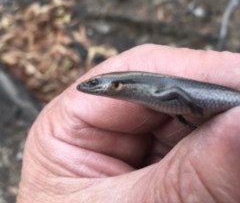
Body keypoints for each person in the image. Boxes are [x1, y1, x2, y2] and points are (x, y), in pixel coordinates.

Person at [17, 44, 240, 202]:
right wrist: (185, 113)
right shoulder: (142, 96)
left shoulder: (144, 90)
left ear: (116, 85)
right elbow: (172, 95)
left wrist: (190, 109)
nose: (91, 88)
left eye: (95, 83)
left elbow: (173, 90)